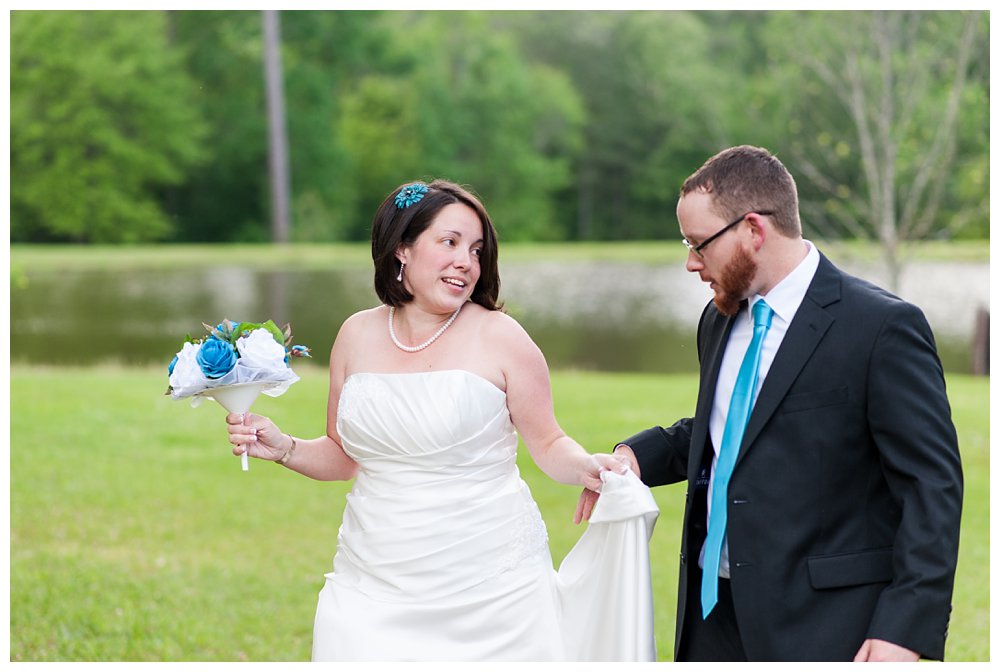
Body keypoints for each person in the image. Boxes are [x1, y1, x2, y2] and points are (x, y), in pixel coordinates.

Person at [225, 179, 658, 661]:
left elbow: (549, 442)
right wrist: (283, 447)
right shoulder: (355, 334)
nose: (466, 262)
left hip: (490, 590)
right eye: (449, 242)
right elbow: (344, 456)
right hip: (369, 583)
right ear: (402, 249)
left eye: (475, 250)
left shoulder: (502, 337)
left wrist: (587, 467)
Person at [576, 145, 963, 662]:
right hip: (710, 619)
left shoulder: (882, 328)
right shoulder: (719, 319)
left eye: (698, 244)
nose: (691, 263)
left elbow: (931, 486)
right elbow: (734, 429)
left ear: (753, 230)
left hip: (824, 625)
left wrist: (904, 629)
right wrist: (637, 457)